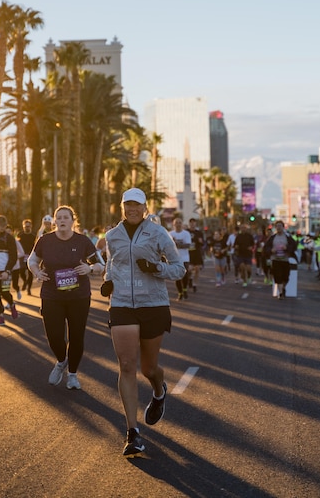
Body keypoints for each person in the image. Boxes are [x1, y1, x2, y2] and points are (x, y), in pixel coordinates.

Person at [102, 188, 186, 457]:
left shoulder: (158, 232)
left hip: (153, 304)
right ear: (121, 207)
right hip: (122, 304)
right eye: (127, 205)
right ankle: (132, 433)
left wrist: (156, 268)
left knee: (149, 368)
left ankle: (159, 390)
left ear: (145, 207)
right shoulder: (112, 235)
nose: (132, 209)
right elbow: (111, 265)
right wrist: (107, 282)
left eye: (137, 205)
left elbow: (179, 268)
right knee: (126, 365)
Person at [28, 206, 102, 390]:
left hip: (79, 296)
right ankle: (61, 361)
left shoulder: (83, 241)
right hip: (52, 295)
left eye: (65, 217)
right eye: (58, 217)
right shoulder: (45, 240)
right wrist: (37, 271)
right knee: (54, 336)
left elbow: (101, 264)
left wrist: (90, 269)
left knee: (76, 337)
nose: (62, 220)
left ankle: (73, 375)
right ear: (54, 221)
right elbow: (32, 260)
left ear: (72, 220)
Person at [263, 221, 298, 299]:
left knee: (285, 277)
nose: (278, 228)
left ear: (283, 227)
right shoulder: (272, 238)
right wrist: (271, 250)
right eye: (277, 226)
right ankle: (281, 293)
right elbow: (266, 248)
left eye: (280, 226)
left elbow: (294, 246)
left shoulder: (287, 237)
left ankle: (283, 287)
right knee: (277, 276)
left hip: (285, 259)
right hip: (275, 259)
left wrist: (287, 248)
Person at [169, 217, 192, 300]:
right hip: (174, 258)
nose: (178, 224)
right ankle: (180, 293)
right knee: (177, 276)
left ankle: (185, 289)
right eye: (176, 222)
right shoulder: (170, 234)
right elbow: (168, 246)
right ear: (173, 224)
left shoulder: (186, 234)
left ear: (182, 224)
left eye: (180, 222)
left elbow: (188, 245)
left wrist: (176, 244)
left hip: (185, 257)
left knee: (185, 274)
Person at [17, 219, 36, 297]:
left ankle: (29, 289)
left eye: (28, 226)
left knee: (30, 273)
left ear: (31, 226)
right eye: (25, 226)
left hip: (31, 255)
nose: (27, 228)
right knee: (21, 271)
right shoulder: (20, 235)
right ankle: (25, 281)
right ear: (23, 227)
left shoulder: (33, 236)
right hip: (22, 255)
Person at [186, 218, 205, 292]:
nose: (192, 224)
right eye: (191, 223)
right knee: (189, 269)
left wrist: (201, 241)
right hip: (189, 253)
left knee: (197, 269)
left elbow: (203, 242)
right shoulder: (186, 232)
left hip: (197, 253)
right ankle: (190, 278)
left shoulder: (199, 233)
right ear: (189, 224)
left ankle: (195, 284)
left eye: (194, 223)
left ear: (195, 224)